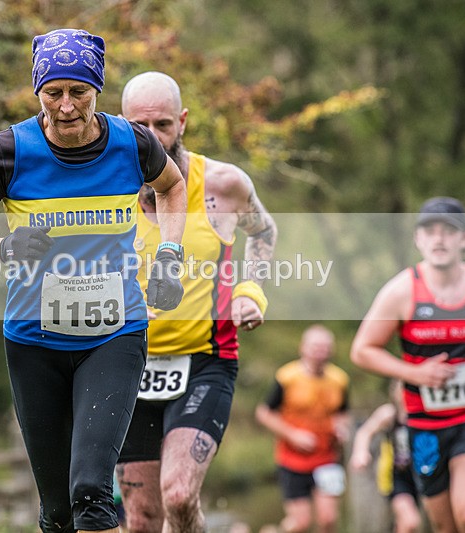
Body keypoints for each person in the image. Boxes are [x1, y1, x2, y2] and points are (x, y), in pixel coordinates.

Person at [0, 29, 187, 533]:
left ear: (97, 90)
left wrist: (169, 252)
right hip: (34, 341)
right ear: (38, 94)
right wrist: (5, 247)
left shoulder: (132, 142)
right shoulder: (11, 149)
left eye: (80, 91)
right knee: (56, 510)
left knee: (91, 489)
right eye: (53, 92)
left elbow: (173, 187)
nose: (67, 105)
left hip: (114, 335)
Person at [114, 71, 277, 533]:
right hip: (127, 363)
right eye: (138, 127)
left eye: (163, 125)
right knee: (143, 519)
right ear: (121, 125)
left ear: (182, 121)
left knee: (180, 496)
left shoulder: (224, 185)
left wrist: (251, 290)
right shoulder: (103, 192)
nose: (152, 139)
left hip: (204, 360)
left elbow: (263, 231)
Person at [350, 196, 465, 533]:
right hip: (425, 424)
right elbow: (362, 350)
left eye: (448, 231)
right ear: (418, 240)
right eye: (429, 231)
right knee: (445, 526)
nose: (439, 238)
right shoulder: (402, 291)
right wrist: (414, 373)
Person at [255, 324, 351, 533]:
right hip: (292, 459)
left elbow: (343, 413)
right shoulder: (287, 377)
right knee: (300, 523)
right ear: (303, 348)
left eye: (326, 347)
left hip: (327, 457)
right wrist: (293, 435)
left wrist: (342, 428)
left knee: (328, 519)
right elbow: (264, 413)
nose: (321, 352)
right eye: (316, 347)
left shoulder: (339, 379)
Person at [349, 379, 422, 533]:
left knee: (407, 524)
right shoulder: (390, 413)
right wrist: (360, 452)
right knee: (410, 521)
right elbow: (365, 432)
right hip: (397, 477)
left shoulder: (424, 412)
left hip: (424, 474)